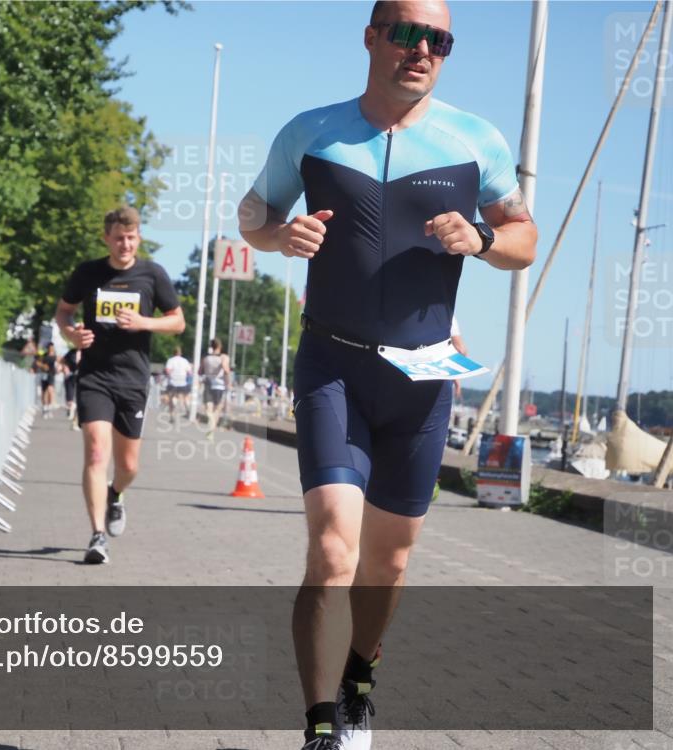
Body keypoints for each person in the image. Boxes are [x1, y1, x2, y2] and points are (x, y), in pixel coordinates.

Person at [238, 3, 537, 747]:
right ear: (372, 37)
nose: (422, 49)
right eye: (406, 32)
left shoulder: (477, 140)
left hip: (425, 375)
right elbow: (252, 211)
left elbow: (525, 238)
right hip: (332, 361)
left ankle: (358, 683)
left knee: (389, 561)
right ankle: (317, 728)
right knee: (333, 548)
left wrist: (483, 236)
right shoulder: (312, 131)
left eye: (438, 39)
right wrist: (280, 236)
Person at [54, 206, 185, 564]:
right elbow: (63, 310)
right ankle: (97, 536)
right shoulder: (89, 273)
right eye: (118, 238)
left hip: (132, 379)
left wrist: (144, 322)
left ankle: (116, 494)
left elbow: (177, 323)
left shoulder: (152, 275)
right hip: (95, 376)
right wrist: (71, 334)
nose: (124, 244)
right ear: (106, 239)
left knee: (129, 467)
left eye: (130, 238)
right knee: (97, 452)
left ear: (138, 238)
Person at [201, 338, 231, 439]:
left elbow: (199, 371)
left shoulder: (206, 358)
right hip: (219, 384)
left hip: (208, 383)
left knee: (208, 408)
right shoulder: (224, 357)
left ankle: (211, 420)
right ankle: (212, 430)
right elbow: (226, 369)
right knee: (217, 409)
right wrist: (228, 382)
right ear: (220, 347)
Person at [164, 346, 192, 421]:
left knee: (171, 398)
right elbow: (189, 372)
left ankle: (172, 415)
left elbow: (167, 370)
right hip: (182, 382)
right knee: (184, 397)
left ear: (174, 352)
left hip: (173, 382)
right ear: (181, 353)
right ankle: (187, 410)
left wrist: (171, 374)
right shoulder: (185, 361)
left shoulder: (171, 360)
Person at [36, 342, 58, 418]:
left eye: (52, 347)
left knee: (50, 390)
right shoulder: (43, 355)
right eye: (49, 347)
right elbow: (37, 362)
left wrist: (59, 368)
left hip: (51, 375)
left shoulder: (55, 356)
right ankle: (44, 408)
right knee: (43, 392)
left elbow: (59, 363)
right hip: (44, 374)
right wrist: (43, 366)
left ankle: (49, 407)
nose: (50, 349)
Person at [62, 346, 81, 428]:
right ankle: (71, 409)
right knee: (70, 397)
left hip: (83, 378)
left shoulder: (88, 351)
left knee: (80, 400)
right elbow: (63, 361)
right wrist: (65, 368)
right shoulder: (71, 352)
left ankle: (75, 422)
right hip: (71, 376)